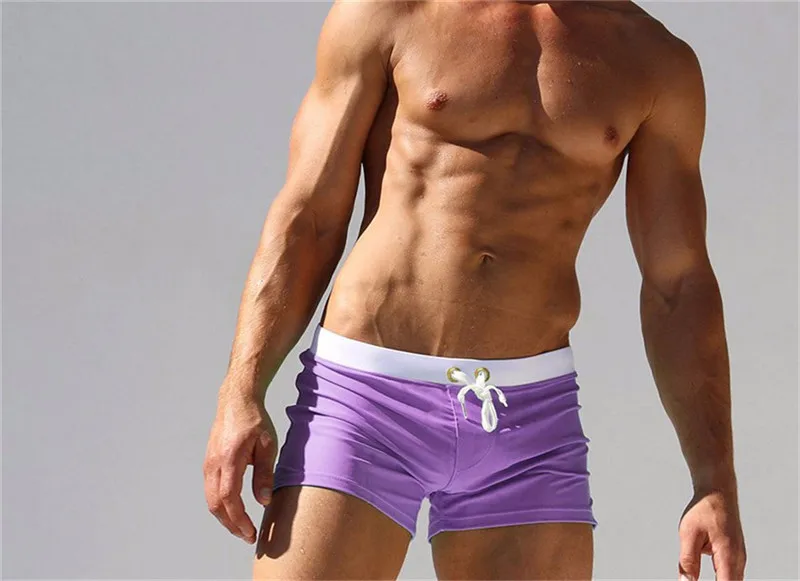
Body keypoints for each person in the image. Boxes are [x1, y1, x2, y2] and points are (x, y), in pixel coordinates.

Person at [202, 1, 747, 579]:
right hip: (365, 400)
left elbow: (678, 283)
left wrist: (714, 479)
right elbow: (309, 215)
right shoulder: (391, 12)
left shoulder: (653, 60)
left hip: (528, 422)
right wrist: (241, 391)